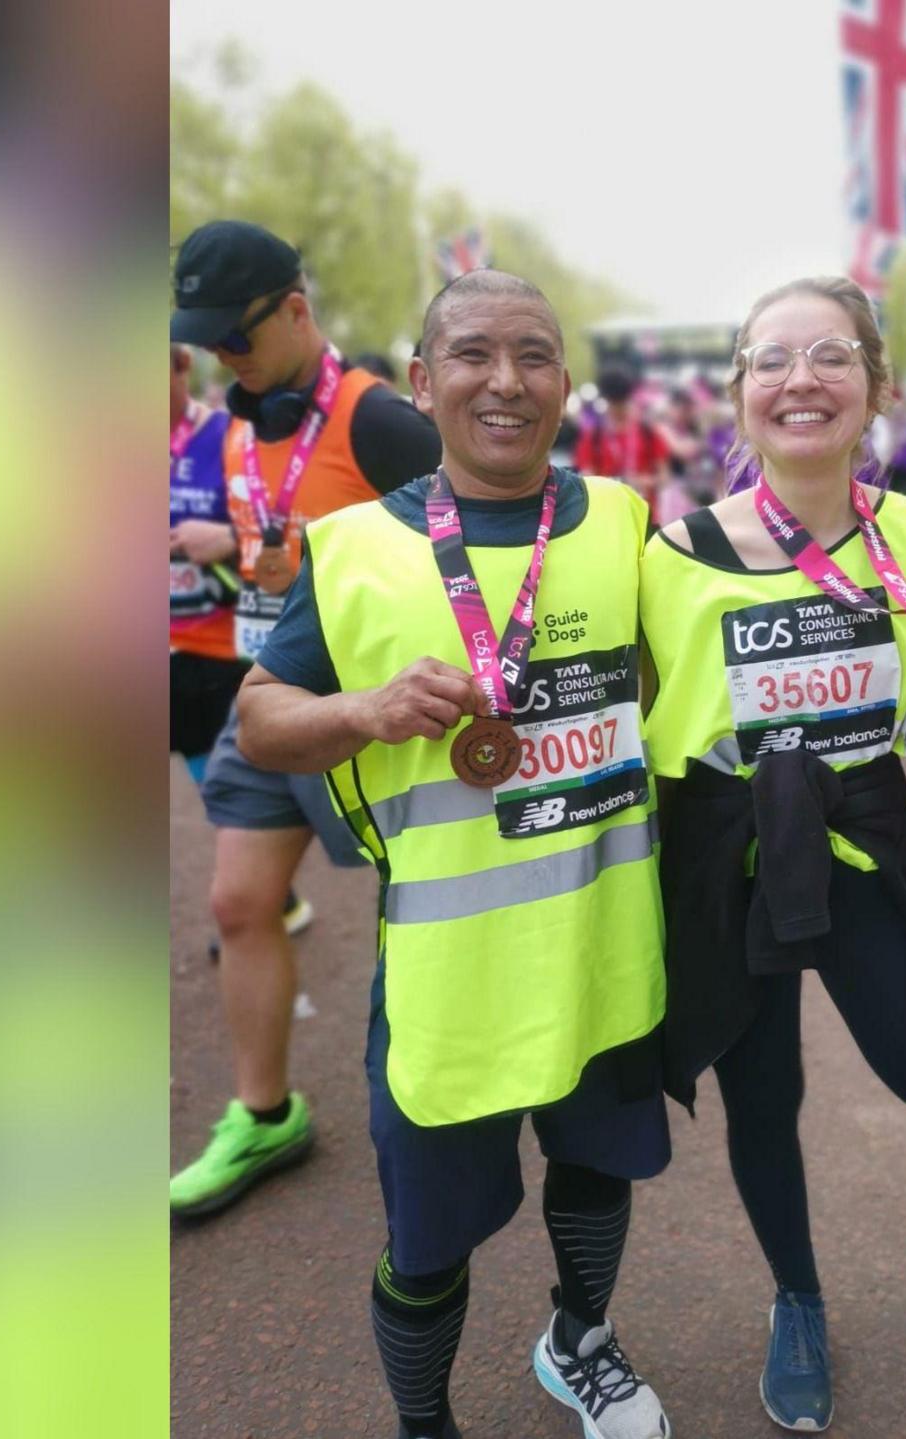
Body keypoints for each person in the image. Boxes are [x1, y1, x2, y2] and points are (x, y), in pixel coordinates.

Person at [234, 269, 674, 1439]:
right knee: (426, 1243)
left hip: (603, 951)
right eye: (474, 354)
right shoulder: (354, 548)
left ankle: (578, 1339)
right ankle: (425, 1422)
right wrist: (362, 710)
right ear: (424, 382)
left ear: (566, 385)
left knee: (600, 1170)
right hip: (448, 981)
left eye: (534, 354)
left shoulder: (625, 522)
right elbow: (260, 715)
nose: (506, 380)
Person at [640, 275, 906, 1431]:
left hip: (860, 836)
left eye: (828, 356)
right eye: (769, 359)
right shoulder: (667, 552)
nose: (798, 379)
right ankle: (798, 1299)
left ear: (876, 390)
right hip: (727, 852)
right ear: (737, 395)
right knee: (761, 1097)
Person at [167, 219, 443, 1219]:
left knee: (416, 908)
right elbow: (274, 557)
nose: (218, 360)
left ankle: (454, 1091)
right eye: (203, 343)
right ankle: (265, 1111)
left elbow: (465, 545)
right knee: (238, 903)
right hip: (265, 697)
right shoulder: (239, 421)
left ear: (295, 309)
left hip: (375, 715)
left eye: (233, 338)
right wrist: (236, 554)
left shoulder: (379, 421)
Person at [171, 345, 243, 784]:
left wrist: (229, 540)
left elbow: (282, 529)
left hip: (214, 657)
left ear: (180, 366)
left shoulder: (229, 435)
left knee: (227, 794)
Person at [574, 366, 673, 519]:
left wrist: (644, 482)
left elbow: (664, 477)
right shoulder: (594, 436)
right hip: (607, 516)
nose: (618, 409)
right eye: (613, 403)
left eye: (622, 402)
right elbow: (586, 477)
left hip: (645, 516)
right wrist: (614, 484)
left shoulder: (647, 432)